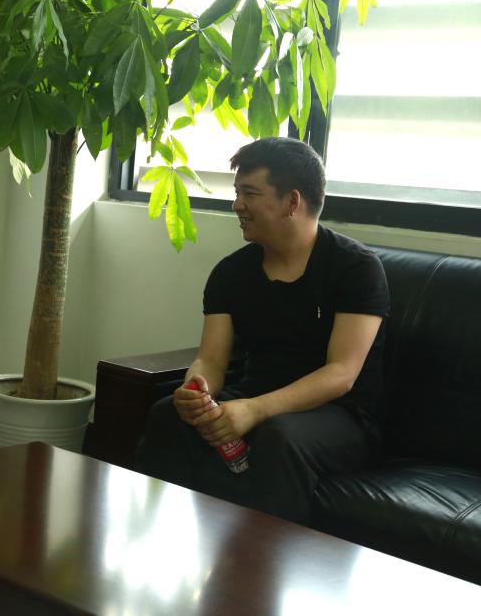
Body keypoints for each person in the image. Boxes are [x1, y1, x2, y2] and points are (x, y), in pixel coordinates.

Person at [134, 137, 389, 525]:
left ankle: (258, 561)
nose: (237, 205)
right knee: (169, 415)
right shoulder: (231, 273)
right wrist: (197, 389)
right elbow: (211, 359)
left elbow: (341, 374)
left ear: (292, 202)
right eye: (237, 192)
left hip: (341, 416)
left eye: (250, 194)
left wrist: (255, 410)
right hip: (254, 397)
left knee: (278, 436)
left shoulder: (356, 269)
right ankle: (154, 537)